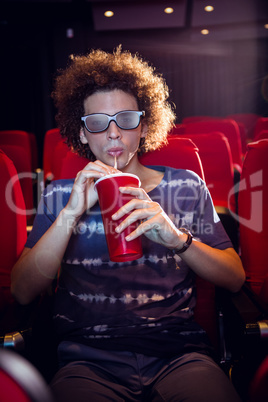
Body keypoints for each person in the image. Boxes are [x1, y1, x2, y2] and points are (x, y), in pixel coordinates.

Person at [11, 46, 245, 401]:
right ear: (82, 134)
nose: (114, 134)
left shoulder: (186, 185)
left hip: (180, 355)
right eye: (97, 124)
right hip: (86, 361)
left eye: (126, 119)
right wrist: (71, 214)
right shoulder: (59, 196)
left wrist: (176, 238)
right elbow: (22, 291)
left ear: (145, 124)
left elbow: (235, 277)